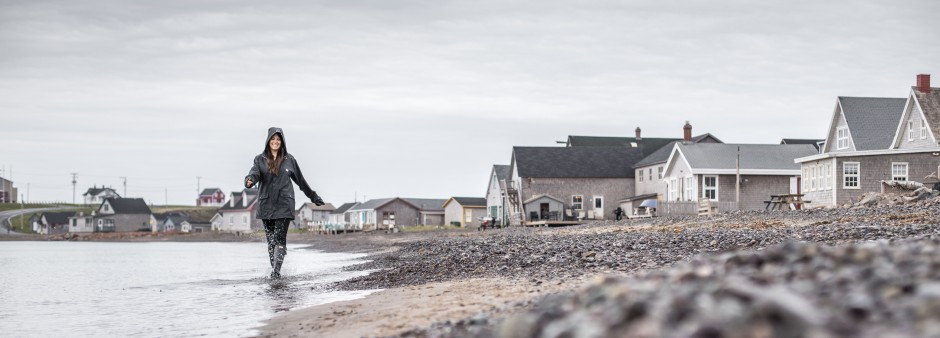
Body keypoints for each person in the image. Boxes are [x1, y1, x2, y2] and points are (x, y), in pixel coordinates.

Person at [245, 127, 324, 279]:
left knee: (279, 239)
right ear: (268, 141)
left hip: (284, 204)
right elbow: (254, 173)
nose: (275, 142)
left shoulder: (290, 160)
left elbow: (301, 181)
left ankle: (276, 272)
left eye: (278, 139)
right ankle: (275, 270)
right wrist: (249, 180)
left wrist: (313, 196)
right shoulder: (259, 159)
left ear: (282, 142)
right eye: (273, 139)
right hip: (266, 205)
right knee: (271, 241)